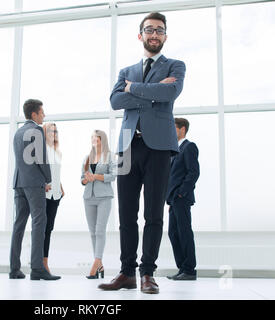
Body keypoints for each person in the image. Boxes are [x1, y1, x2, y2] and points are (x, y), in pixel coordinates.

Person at [99, 12, 186, 294]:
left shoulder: (175, 65)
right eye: (149, 29)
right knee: (126, 214)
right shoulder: (126, 70)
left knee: (153, 214)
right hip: (127, 146)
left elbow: (169, 94)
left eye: (160, 30)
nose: (154, 34)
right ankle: (126, 272)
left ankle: (147, 272)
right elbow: (115, 101)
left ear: (165, 36)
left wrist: (134, 90)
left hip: (159, 146)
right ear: (140, 35)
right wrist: (152, 91)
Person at [9, 99, 61, 281]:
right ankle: (37, 269)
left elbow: (21, 161)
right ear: (34, 114)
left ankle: (14, 269)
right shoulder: (36, 130)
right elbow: (41, 158)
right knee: (39, 223)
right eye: (42, 113)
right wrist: (48, 179)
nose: (44, 115)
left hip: (19, 183)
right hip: (34, 184)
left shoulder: (17, 132)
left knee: (19, 226)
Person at [166, 118, 200, 281]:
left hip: (182, 198)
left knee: (184, 232)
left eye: (174, 128)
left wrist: (181, 193)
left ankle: (189, 270)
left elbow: (193, 172)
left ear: (182, 129)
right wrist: (171, 197)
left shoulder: (189, 147)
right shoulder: (175, 150)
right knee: (173, 233)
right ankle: (182, 268)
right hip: (173, 199)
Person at [81, 130, 116, 279]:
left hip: (104, 197)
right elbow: (81, 179)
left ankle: (95, 263)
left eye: (96, 137)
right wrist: (87, 179)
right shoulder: (87, 157)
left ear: (102, 140)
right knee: (92, 232)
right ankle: (100, 264)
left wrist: (96, 176)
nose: (94, 139)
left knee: (100, 230)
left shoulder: (109, 156)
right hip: (88, 197)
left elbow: (113, 175)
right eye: (92, 137)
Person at [42, 122, 65, 274]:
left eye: (56, 131)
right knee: (42, 230)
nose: (54, 134)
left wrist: (62, 187)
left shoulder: (57, 151)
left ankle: (45, 263)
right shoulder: (42, 150)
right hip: (44, 194)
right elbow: (39, 170)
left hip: (56, 195)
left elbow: (55, 172)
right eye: (51, 131)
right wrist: (42, 183)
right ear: (45, 133)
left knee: (49, 229)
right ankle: (41, 264)